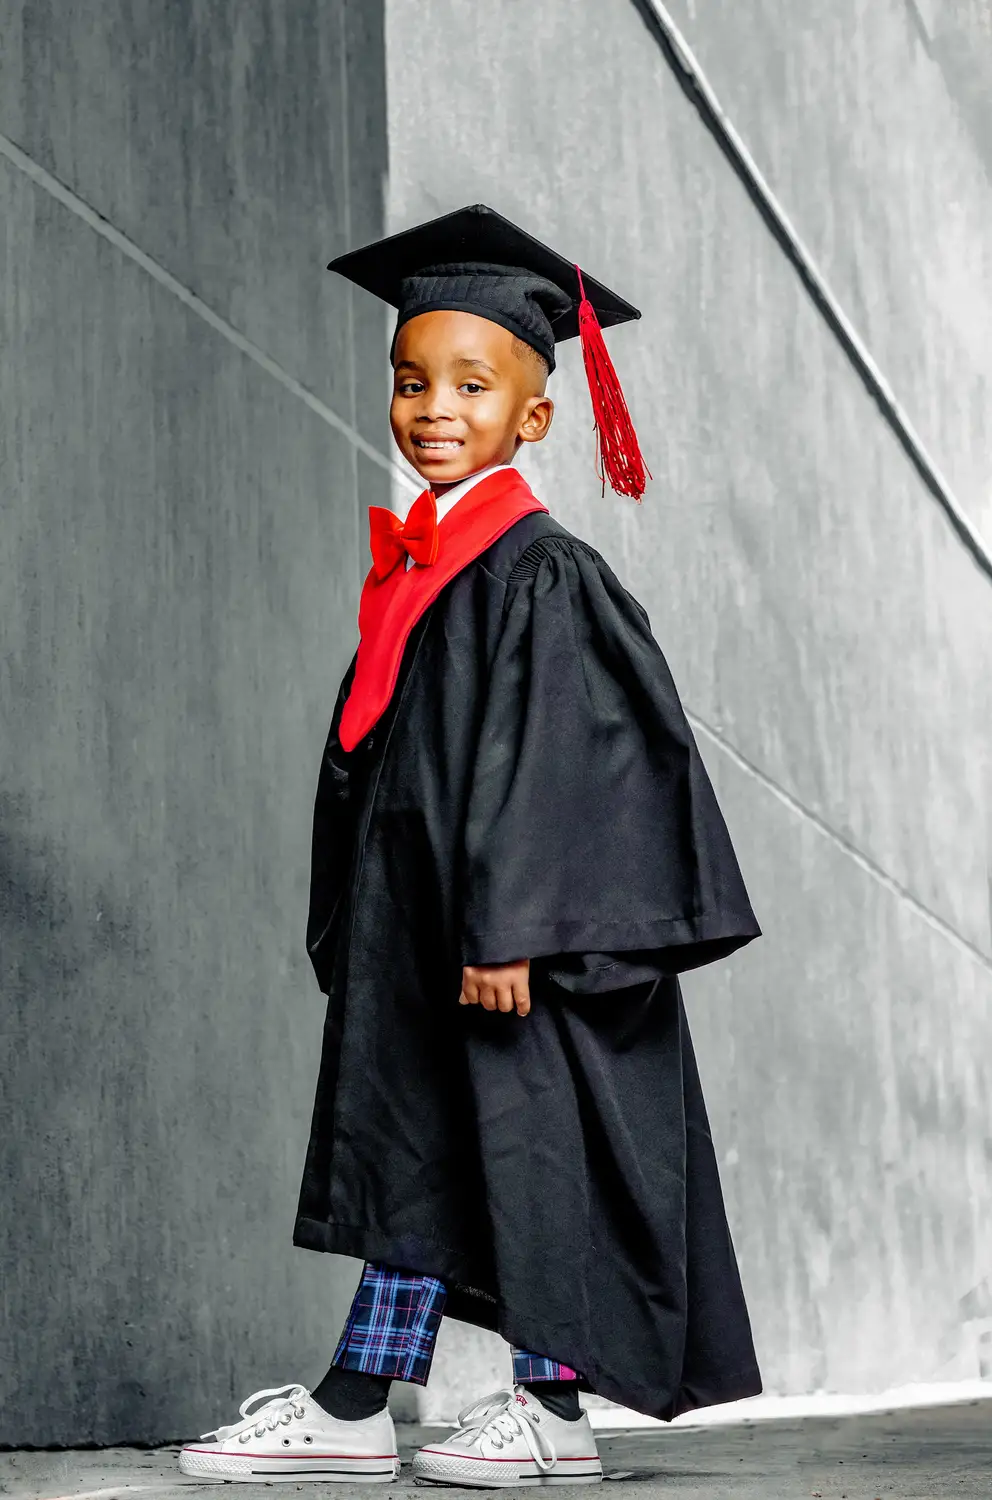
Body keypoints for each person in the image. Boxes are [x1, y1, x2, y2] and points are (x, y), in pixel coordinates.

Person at [179, 204, 763, 1487]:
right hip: (430, 942)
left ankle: (547, 1414)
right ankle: (355, 1408)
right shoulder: (428, 571)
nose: (432, 405)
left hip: (507, 948)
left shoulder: (538, 573)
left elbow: (570, 761)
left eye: (470, 381)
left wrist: (517, 926)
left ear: (535, 415)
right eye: (409, 380)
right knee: (436, 1161)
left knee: (517, 1154)